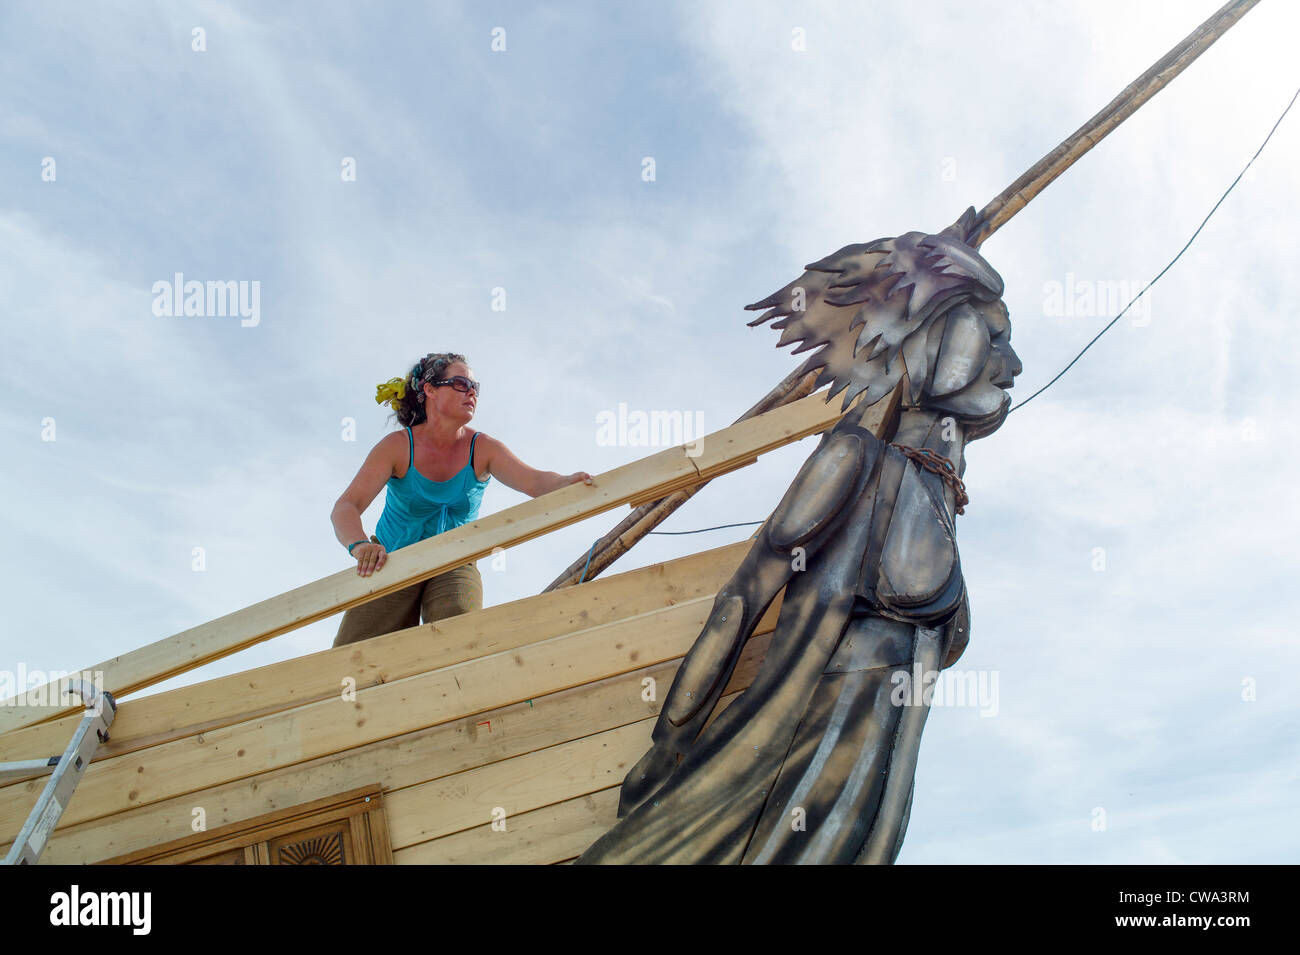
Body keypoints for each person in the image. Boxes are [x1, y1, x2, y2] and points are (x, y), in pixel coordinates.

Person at [330, 352, 592, 647]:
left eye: (474, 387)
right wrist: (360, 545)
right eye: (460, 383)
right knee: (355, 653)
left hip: (455, 560)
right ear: (429, 389)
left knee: (460, 637)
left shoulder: (483, 448)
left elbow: (534, 481)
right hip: (391, 558)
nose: (471, 392)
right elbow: (346, 506)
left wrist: (565, 482)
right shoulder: (397, 447)